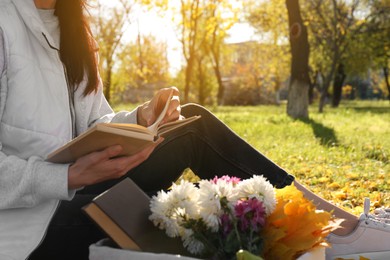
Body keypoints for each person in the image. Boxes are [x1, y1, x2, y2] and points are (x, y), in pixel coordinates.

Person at [0, 0, 389, 259]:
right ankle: (337, 230)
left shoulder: (71, 28)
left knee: (189, 119)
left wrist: (140, 119)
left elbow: (91, 124)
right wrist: (61, 176)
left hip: (80, 197)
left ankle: (328, 226)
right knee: (196, 132)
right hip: (27, 234)